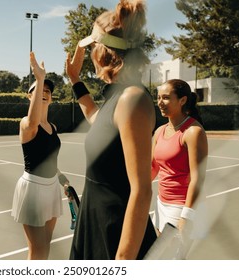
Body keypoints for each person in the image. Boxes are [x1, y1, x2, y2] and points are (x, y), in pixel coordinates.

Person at [65, 0, 157, 260]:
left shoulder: (132, 99)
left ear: (102, 52)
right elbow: (96, 118)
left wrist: (123, 260)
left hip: (115, 234)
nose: (91, 53)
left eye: (93, 46)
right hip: (95, 222)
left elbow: (141, 190)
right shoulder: (117, 99)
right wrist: (75, 80)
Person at [11, 52, 69, 260]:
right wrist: (39, 78)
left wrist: (64, 182)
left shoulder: (52, 127)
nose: (44, 92)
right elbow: (34, 120)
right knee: (38, 250)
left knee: (45, 247)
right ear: (30, 96)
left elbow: (51, 161)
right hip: (33, 189)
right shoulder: (27, 123)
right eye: (38, 90)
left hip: (52, 187)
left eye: (47, 91)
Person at [151, 79, 208, 235]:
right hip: (160, 204)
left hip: (181, 207)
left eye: (166, 97)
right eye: (158, 97)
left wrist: (186, 216)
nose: (160, 102)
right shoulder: (159, 131)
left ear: (182, 100)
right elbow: (153, 168)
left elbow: (198, 178)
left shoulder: (193, 131)